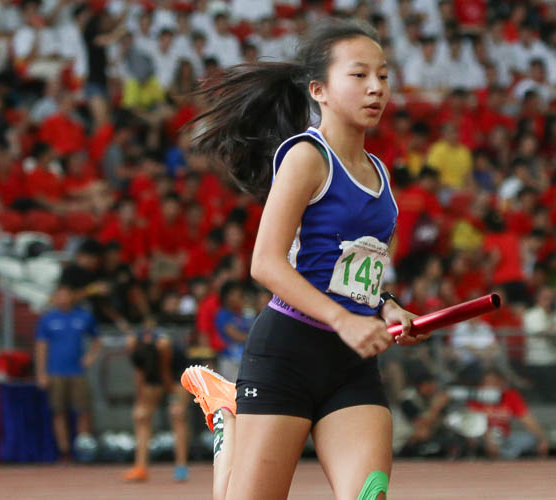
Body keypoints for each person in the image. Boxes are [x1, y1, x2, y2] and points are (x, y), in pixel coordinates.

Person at [180, 19, 427, 500]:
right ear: (320, 90)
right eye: (359, 75)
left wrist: (385, 306)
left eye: (383, 75)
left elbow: (351, 269)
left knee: (368, 495)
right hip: (287, 353)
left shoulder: (378, 171)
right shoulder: (306, 157)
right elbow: (266, 265)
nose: (376, 87)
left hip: (351, 364)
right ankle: (227, 420)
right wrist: (343, 319)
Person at [35, 285, 100, 459]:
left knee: (83, 410)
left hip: (77, 371)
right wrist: (41, 372)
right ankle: (64, 451)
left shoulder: (83, 317)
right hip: (55, 371)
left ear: (71, 297)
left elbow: (96, 339)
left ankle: (84, 449)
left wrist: (90, 357)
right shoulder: (48, 319)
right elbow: (41, 347)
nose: (62, 299)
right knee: (59, 411)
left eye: (65, 295)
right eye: (59, 295)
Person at [123, 329, 191, 482]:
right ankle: (140, 467)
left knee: (177, 414)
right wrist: (139, 401)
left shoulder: (163, 346)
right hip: (154, 375)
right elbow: (139, 375)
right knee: (142, 416)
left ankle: (181, 466)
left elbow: (166, 373)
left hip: (175, 373)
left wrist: (173, 397)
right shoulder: (134, 347)